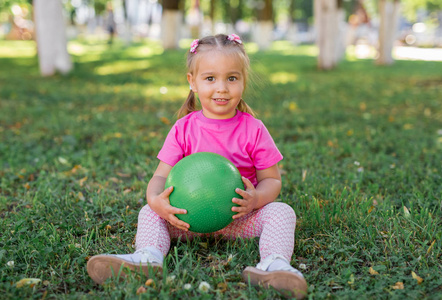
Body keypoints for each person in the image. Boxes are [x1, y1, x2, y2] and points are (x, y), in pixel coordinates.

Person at [87, 33, 308, 299]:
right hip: (187, 219)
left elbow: (272, 180)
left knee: (282, 212)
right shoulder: (184, 129)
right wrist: (156, 201)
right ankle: (147, 258)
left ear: (243, 81)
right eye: (210, 78)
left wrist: (256, 199)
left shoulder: (254, 129)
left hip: (240, 219)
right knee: (148, 212)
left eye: (232, 78)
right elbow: (160, 177)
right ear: (192, 82)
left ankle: (274, 265)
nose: (222, 88)